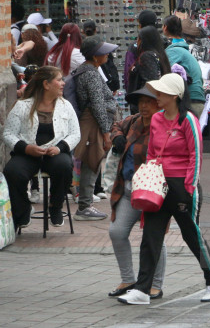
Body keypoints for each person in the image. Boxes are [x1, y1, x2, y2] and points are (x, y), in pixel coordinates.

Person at [117, 73, 210, 305]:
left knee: (192, 235)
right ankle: (142, 290)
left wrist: (189, 186)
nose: (157, 95)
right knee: (150, 236)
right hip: (158, 185)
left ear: (174, 96)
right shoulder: (156, 119)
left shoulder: (188, 120)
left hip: (183, 185)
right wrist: (149, 177)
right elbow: (153, 153)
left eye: (161, 92)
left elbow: (196, 154)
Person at [2, 66, 79, 231]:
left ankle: (55, 206)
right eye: (58, 79)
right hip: (28, 154)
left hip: (55, 153)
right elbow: (8, 133)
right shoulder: (23, 106)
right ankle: (23, 210)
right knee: (12, 171)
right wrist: (26, 148)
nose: (62, 83)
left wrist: (60, 148)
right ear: (46, 84)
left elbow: (75, 134)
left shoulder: (66, 106)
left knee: (64, 166)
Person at [107, 87, 167, 300]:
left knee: (153, 237)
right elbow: (115, 125)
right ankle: (128, 279)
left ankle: (155, 285)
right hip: (127, 189)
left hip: (152, 189)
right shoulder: (133, 121)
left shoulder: (165, 125)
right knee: (117, 232)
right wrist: (117, 138)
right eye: (140, 101)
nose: (143, 106)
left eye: (149, 101)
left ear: (160, 103)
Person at [73, 36, 119, 220]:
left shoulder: (88, 70)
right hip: (93, 123)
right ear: (95, 56)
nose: (108, 54)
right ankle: (85, 206)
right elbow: (97, 103)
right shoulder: (90, 73)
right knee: (91, 161)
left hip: (93, 122)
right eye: (104, 52)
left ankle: (85, 204)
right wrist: (106, 132)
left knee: (91, 161)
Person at [162, 15, 206, 117]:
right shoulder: (182, 49)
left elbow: (167, 77)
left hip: (191, 101)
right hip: (196, 99)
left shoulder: (173, 51)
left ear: (165, 28)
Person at [127, 26, 171, 114]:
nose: (137, 42)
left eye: (138, 38)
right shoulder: (160, 55)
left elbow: (151, 82)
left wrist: (143, 103)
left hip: (147, 108)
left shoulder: (147, 56)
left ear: (143, 40)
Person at [124, 10, 159, 90]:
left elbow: (128, 74)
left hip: (140, 94)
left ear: (140, 25)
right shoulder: (164, 43)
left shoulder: (135, 46)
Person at [83, 20, 121, 93]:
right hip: (106, 84)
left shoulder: (81, 48)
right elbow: (111, 66)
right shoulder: (102, 45)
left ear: (83, 31)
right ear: (95, 30)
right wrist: (115, 87)